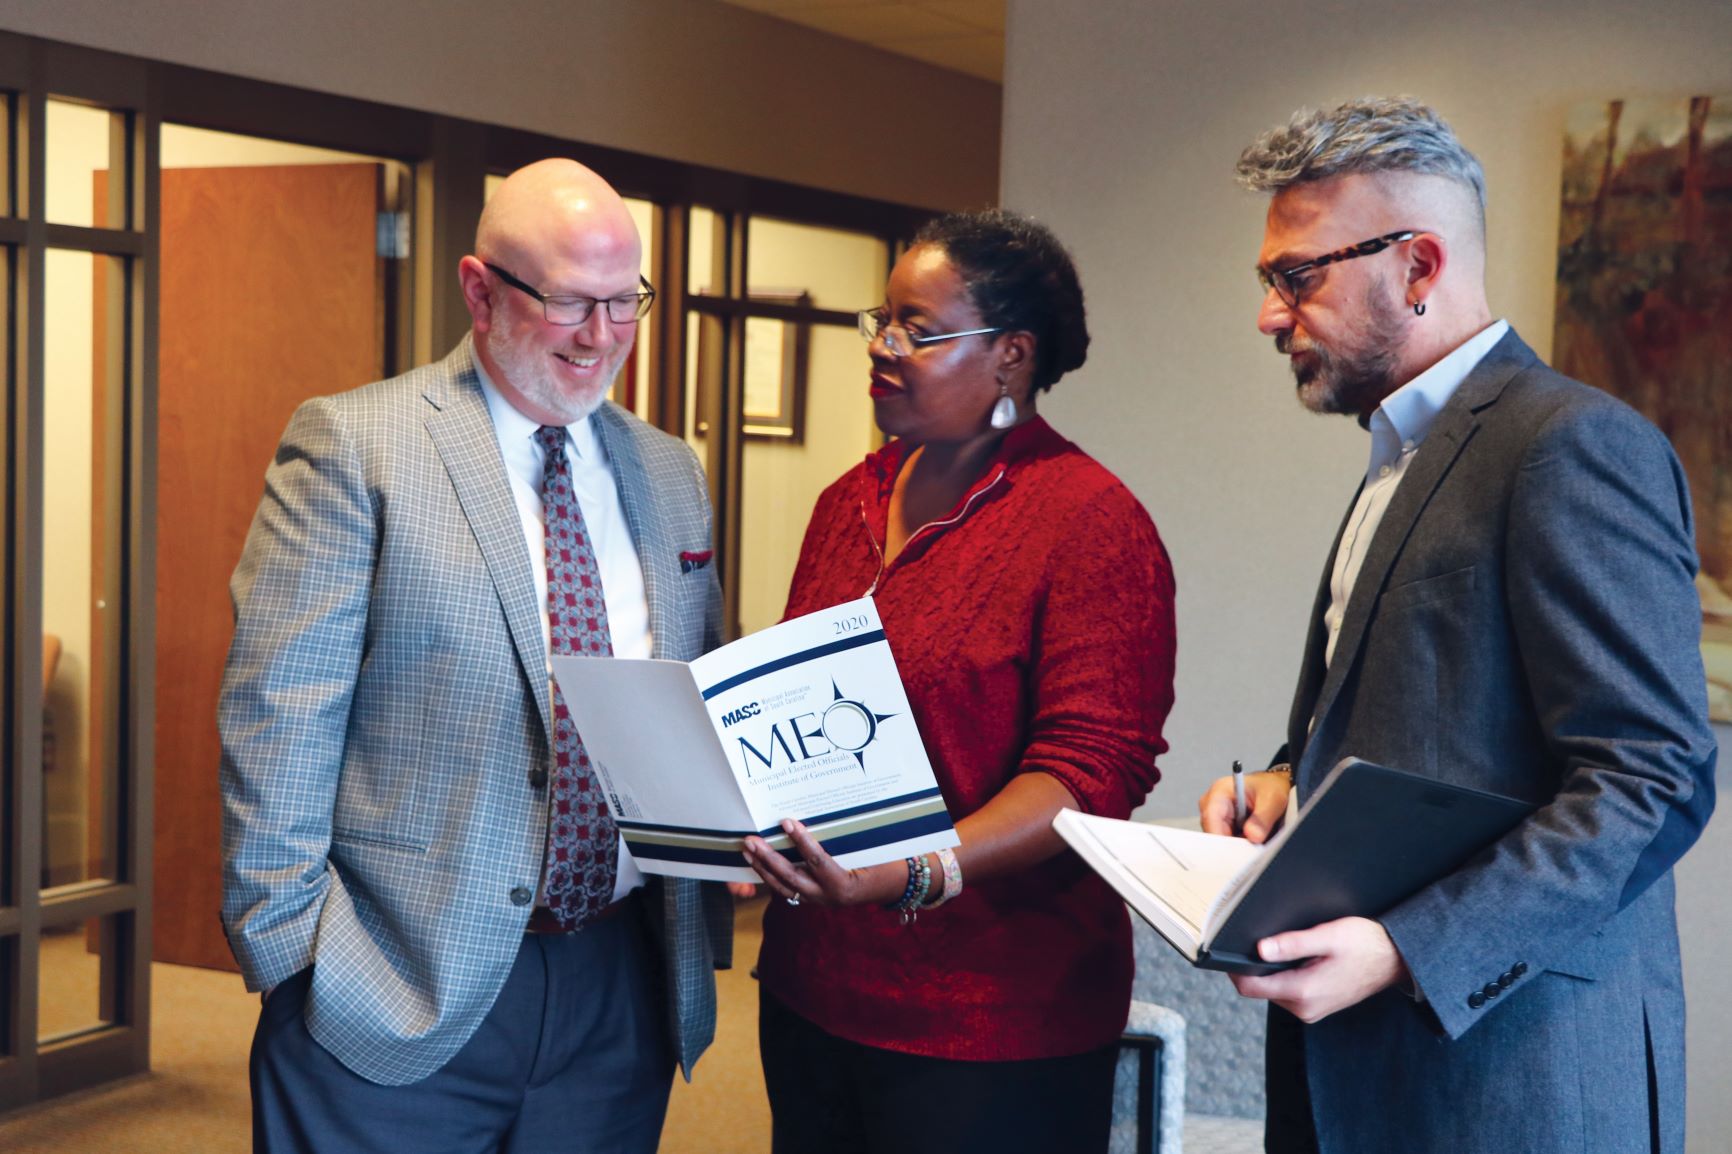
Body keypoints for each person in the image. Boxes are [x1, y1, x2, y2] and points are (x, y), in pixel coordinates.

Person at [1197, 97, 1717, 1154]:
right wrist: (1289, 782)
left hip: (1510, 1080)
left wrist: (1408, 949)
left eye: (1296, 277)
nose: (1269, 315)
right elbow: (1425, 717)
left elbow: (1651, 777)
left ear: (1418, 267)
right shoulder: (1400, 454)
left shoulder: (1571, 445)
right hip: (1358, 1074)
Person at [219, 159, 732, 1153]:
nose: (601, 335)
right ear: (480, 289)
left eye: (623, 302)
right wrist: (293, 955)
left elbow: (691, 690)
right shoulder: (356, 443)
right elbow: (279, 710)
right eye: (569, 302)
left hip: (615, 982)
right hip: (392, 971)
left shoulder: (671, 470)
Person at [741, 209, 1178, 1154]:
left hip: (995, 1017)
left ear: (1011, 354)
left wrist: (915, 871)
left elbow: (1092, 771)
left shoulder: (1090, 522)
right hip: (815, 987)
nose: (883, 346)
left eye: (920, 330)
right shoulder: (846, 502)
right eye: (883, 321)